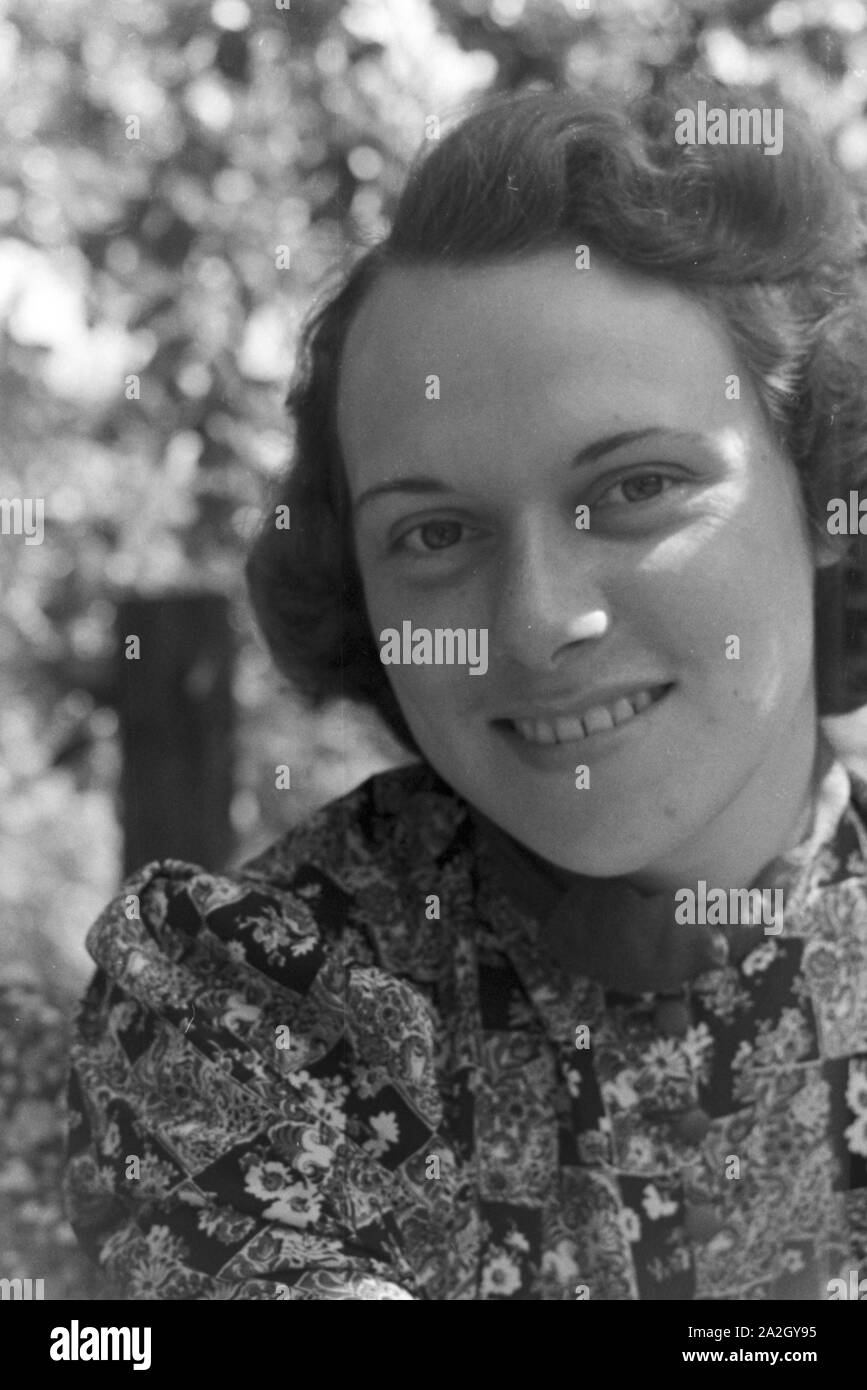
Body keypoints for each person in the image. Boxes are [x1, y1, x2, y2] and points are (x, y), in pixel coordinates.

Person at [64, 77, 867, 1300]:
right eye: (436, 533)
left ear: (820, 486)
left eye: (637, 487)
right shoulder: (247, 1007)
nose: (539, 623)